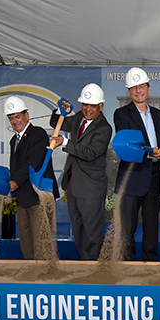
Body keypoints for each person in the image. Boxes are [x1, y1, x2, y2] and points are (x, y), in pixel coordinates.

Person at [113, 67, 160, 261]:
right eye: (134, 87)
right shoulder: (121, 114)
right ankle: (128, 267)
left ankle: (150, 267)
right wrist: (152, 151)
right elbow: (129, 145)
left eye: (141, 86)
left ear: (148, 88)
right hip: (131, 178)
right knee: (128, 229)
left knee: (152, 228)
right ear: (129, 91)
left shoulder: (157, 114)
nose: (138, 91)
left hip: (153, 178)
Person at [49, 83, 112, 260]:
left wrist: (65, 143)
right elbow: (56, 122)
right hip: (73, 185)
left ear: (101, 106)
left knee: (92, 232)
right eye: (85, 104)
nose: (88, 109)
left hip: (91, 187)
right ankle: (84, 265)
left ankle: (93, 268)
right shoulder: (78, 118)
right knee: (79, 230)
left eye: (93, 105)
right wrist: (60, 109)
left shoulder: (104, 128)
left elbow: (90, 153)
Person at [5, 96, 59, 260]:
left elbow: (32, 163)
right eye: (11, 117)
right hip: (23, 198)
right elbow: (16, 168)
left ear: (26, 115)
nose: (15, 121)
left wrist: (15, 182)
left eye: (18, 116)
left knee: (41, 244)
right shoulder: (14, 140)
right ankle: (31, 276)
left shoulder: (38, 134)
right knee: (26, 244)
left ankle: (45, 279)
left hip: (39, 197)